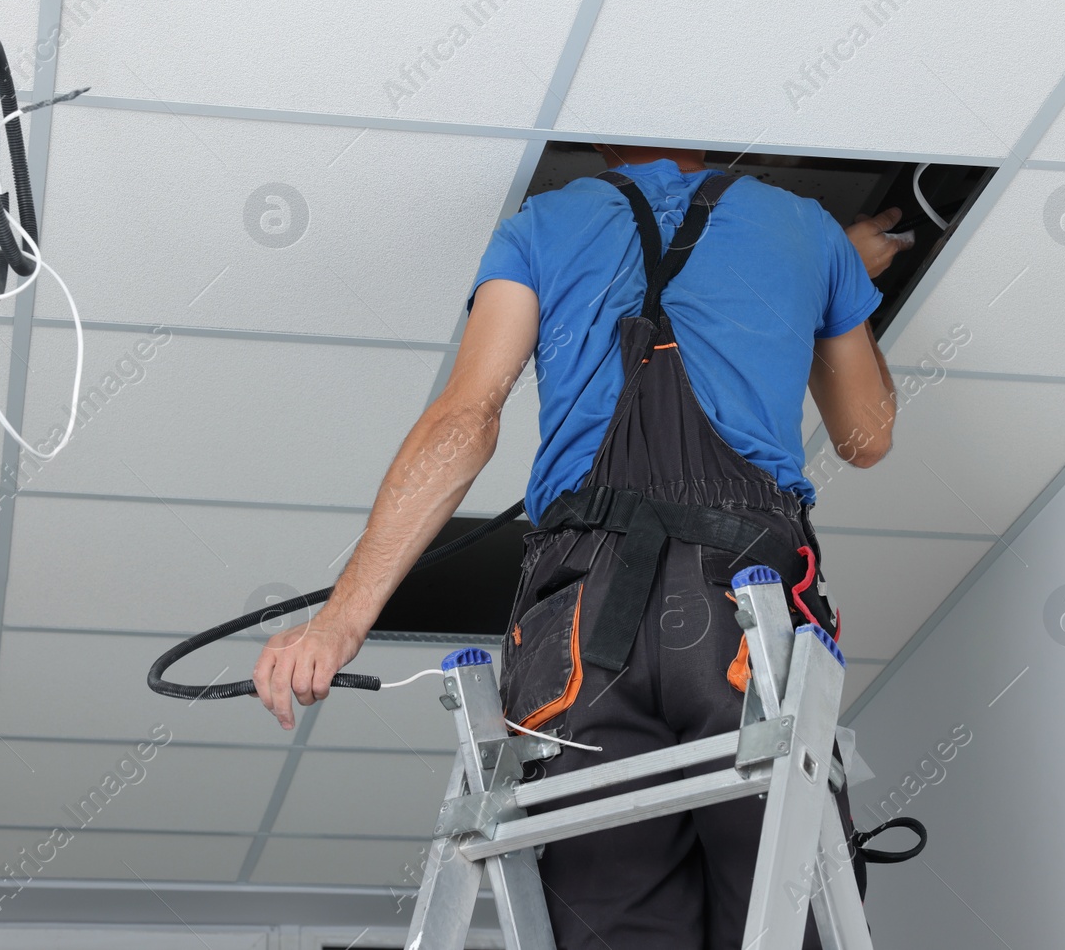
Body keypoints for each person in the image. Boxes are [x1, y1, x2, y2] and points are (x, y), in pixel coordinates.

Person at [253, 143, 903, 947]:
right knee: (788, 908)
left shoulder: (541, 226)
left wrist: (338, 622)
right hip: (744, 608)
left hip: (580, 631)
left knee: (615, 921)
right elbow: (866, 436)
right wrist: (839, 279)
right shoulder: (805, 230)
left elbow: (465, 419)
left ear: (602, 145)